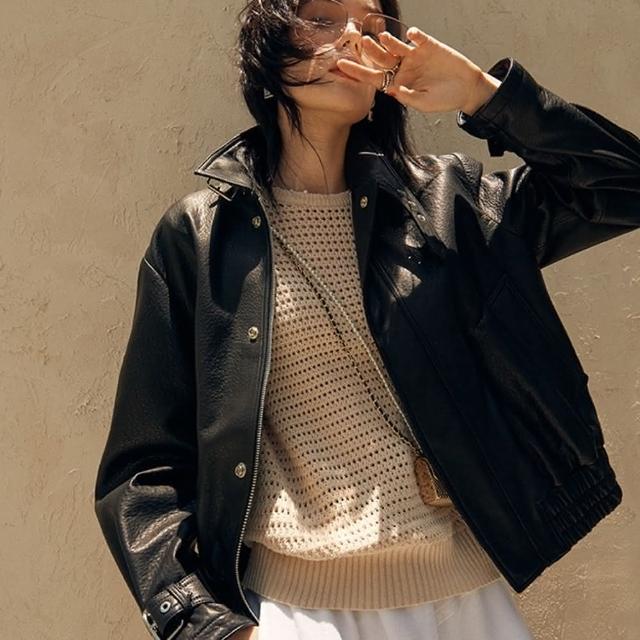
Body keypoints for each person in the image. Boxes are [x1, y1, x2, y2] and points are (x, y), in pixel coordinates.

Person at [94, 1, 640, 639]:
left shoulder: (448, 205)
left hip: (468, 605)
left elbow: (624, 187)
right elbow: (143, 469)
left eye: (373, 22)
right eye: (324, 16)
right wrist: (211, 629)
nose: (354, 35)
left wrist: (481, 93)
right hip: (302, 613)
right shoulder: (202, 236)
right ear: (268, 46)